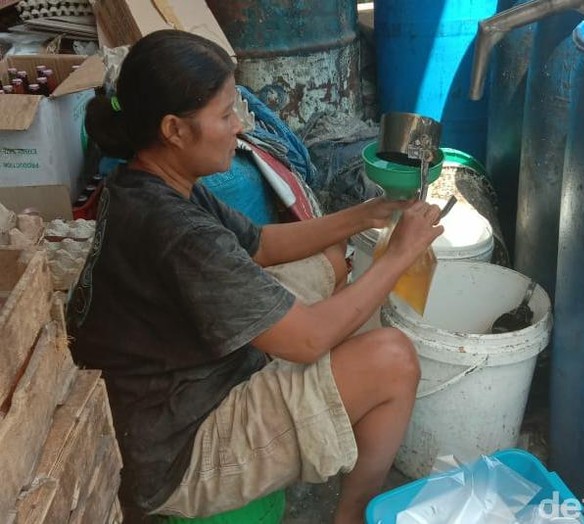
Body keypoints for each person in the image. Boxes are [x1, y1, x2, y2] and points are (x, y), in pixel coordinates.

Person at [67, 29, 444, 523]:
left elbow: (261, 245)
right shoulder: (177, 234)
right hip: (177, 450)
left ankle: (334, 397)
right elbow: (307, 341)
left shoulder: (144, 181)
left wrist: (364, 214)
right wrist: (397, 255)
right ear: (175, 130)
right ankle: (353, 515)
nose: (240, 128)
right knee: (394, 358)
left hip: (172, 391)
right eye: (225, 115)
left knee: (331, 260)